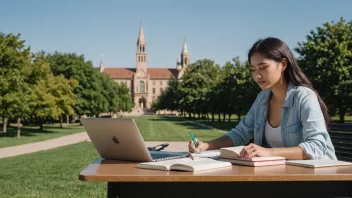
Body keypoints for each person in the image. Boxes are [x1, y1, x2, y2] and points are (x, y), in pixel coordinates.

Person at [188, 37, 337, 160]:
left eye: (263, 67)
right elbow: (240, 133)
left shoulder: (304, 96)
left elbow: (317, 147)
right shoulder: (262, 99)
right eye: (253, 69)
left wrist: (268, 152)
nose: (257, 75)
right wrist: (206, 146)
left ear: (283, 64)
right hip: (281, 177)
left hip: (318, 179)